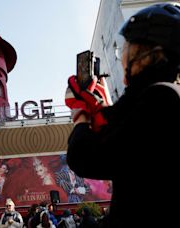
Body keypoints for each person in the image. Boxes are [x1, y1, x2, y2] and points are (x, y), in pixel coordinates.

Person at [64, 3, 180, 228]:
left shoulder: (161, 99)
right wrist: (96, 104)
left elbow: (86, 158)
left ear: (149, 55)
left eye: (126, 49)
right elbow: (119, 125)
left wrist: (80, 117)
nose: (122, 57)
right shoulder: (161, 94)